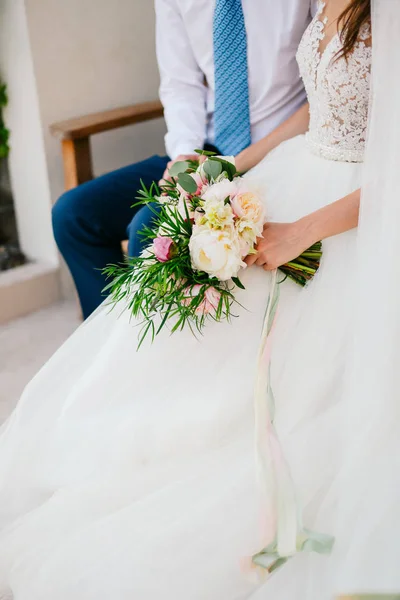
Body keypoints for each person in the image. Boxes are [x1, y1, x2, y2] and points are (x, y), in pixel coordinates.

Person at [1, 0, 399, 598]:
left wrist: (300, 230)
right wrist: (227, 166)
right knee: (176, 305)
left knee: (283, 370)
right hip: (276, 160)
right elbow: (301, 106)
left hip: (353, 206)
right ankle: (135, 387)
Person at [51, 0, 315, 319]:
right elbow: (181, 85)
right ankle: (113, 342)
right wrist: (184, 158)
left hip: (278, 151)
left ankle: (149, 354)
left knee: (148, 226)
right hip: (206, 149)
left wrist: (236, 163)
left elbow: (324, 82)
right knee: (74, 214)